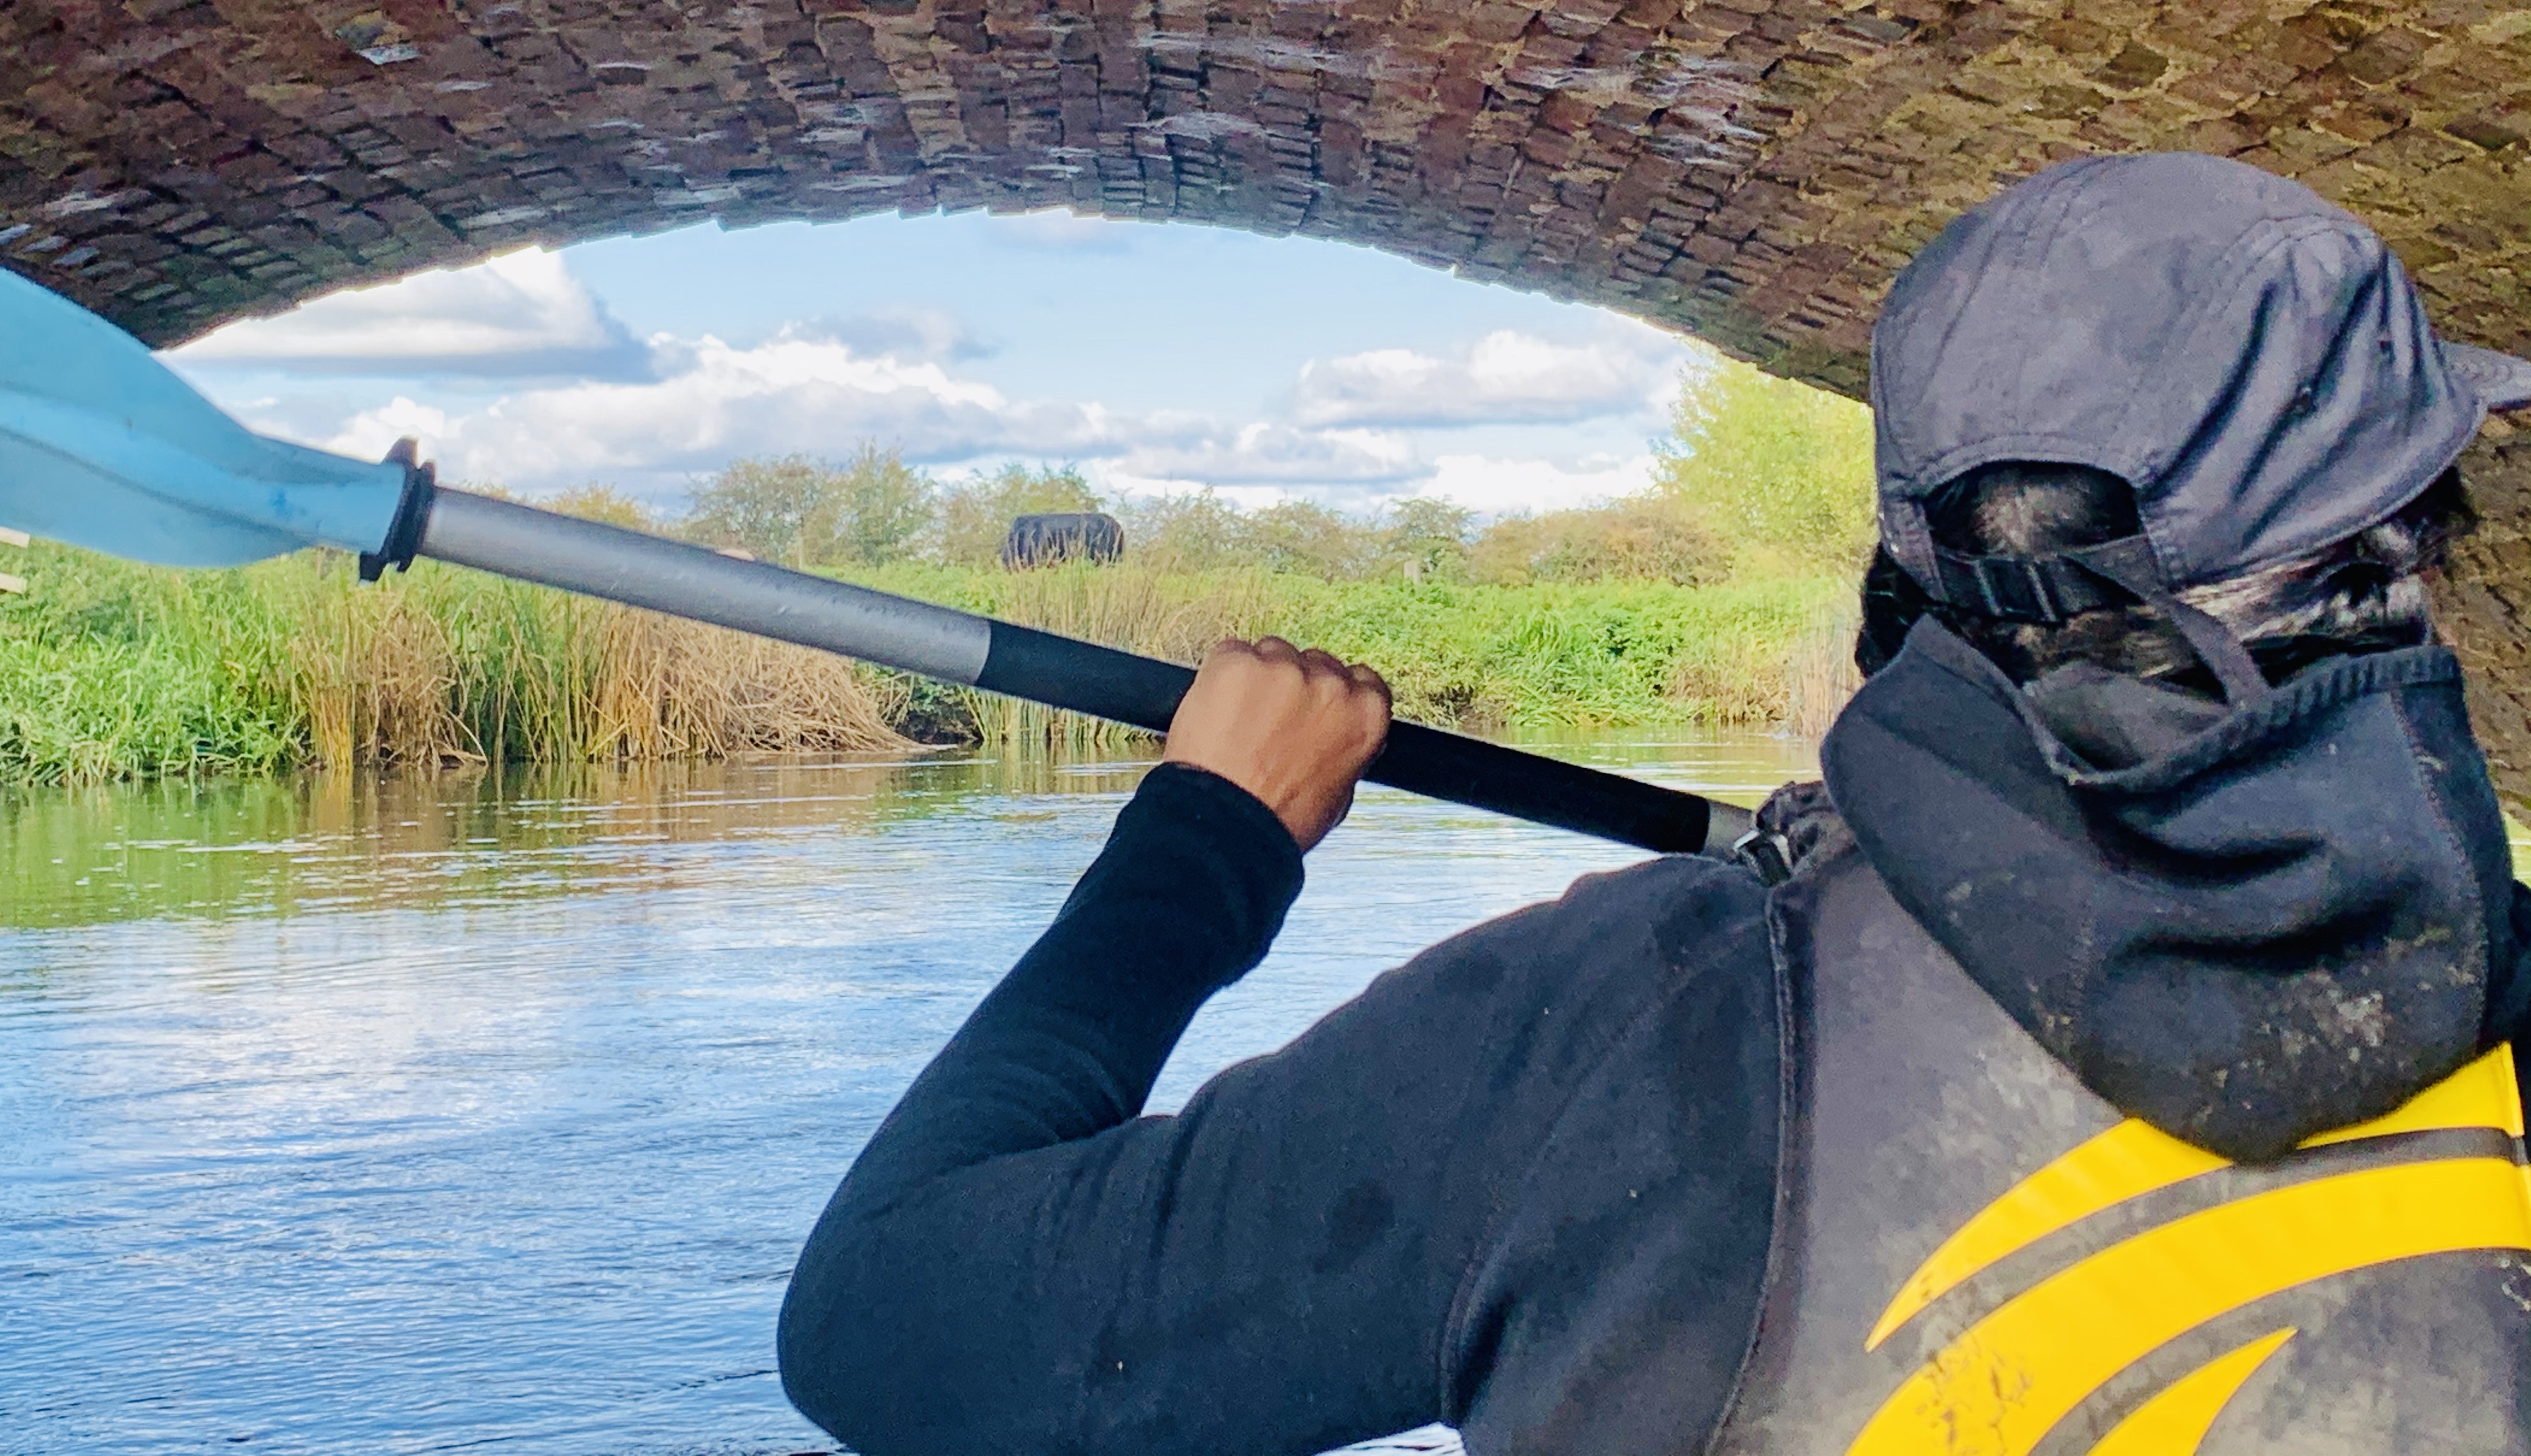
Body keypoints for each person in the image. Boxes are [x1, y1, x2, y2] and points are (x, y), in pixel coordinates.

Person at [776, 153, 2531, 1456]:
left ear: (1913, 568)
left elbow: (884, 1323)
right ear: (2411, 563)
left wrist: (1204, 842)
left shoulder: (1614, 1032)